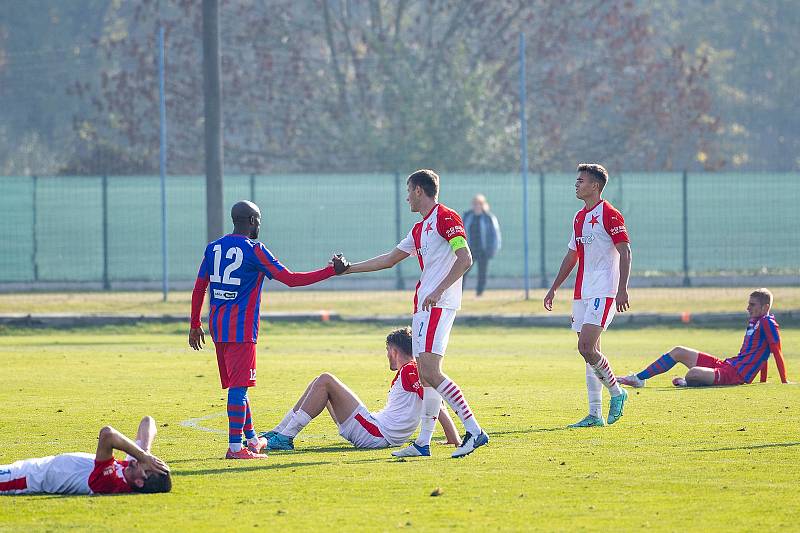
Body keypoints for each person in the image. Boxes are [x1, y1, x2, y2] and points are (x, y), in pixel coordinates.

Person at [341, 169, 489, 458]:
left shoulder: (446, 217)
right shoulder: (420, 228)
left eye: (409, 191)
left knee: (432, 372)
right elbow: (388, 260)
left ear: (419, 190)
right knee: (424, 376)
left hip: (438, 305)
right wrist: (349, 268)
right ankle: (423, 443)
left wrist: (439, 290)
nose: (407, 196)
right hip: (423, 307)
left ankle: (474, 430)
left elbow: (465, 258)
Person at [189, 200, 349, 459]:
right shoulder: (256, 250)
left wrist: (195, 324)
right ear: (252, 221)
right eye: (259, 221)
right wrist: (331, 271)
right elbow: (291, 279)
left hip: (218, 327)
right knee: (239, 389)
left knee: (238, 385)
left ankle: (251, 440)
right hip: (241, 330)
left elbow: (199, 288)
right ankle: (235, 448)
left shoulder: (213, 248)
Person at [261, 327, 459, 450]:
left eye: (387, 351)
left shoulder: (410, 369)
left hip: (376, 434)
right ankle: (279, 432)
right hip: (376, 430)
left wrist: (453, 438)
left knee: (325, 379)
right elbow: (434, 400)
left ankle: (285, 437)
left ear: (393, 351)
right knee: (318, 382)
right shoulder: (411, 370)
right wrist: (451, 437)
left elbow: (435, 404)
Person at [543, 163, 632, 428]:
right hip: (582, 291)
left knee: (586, 347)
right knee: (587, 352)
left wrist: (622, 289)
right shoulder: (579, 217)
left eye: (581, 181)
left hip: (604, 290)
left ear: (595, 185)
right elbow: (572, 255)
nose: (576, 185)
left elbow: (625, 251)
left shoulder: (610, 214)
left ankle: (618, 393)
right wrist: (555, 287)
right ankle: (595, 414)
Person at [619, 288, 789, 388]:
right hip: (727, 365)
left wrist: (784, 381)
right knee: (678, 351)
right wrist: (763, 380)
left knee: (692, 373)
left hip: (735, 375)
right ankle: (639, 378)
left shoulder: (768, 322)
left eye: (752, 305)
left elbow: (775, 351)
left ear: (765, 307)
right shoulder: (755, 322)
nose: (747, 308)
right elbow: (762, 354)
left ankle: (688, 382)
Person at [0, 416, 170, 495]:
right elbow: (147, 421)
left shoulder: (110, 483)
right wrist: (146, 451)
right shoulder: (131, 468)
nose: (145, 462)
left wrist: (141, 455)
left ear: (140, 481)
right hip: (34, 466)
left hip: (25, 478)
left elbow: (107, 434)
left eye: (150, 466)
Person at [462, 194, 501, 296]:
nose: (477, 206)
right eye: (475, 204)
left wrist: (493, 248)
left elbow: (495, 234)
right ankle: (459, 292)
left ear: (483, 205)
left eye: (479, 204)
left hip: (484, 250)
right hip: (470, 250)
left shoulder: (489, 218)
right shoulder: (467, 216)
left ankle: (479, 292)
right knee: (463, 271)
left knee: (482, 273)